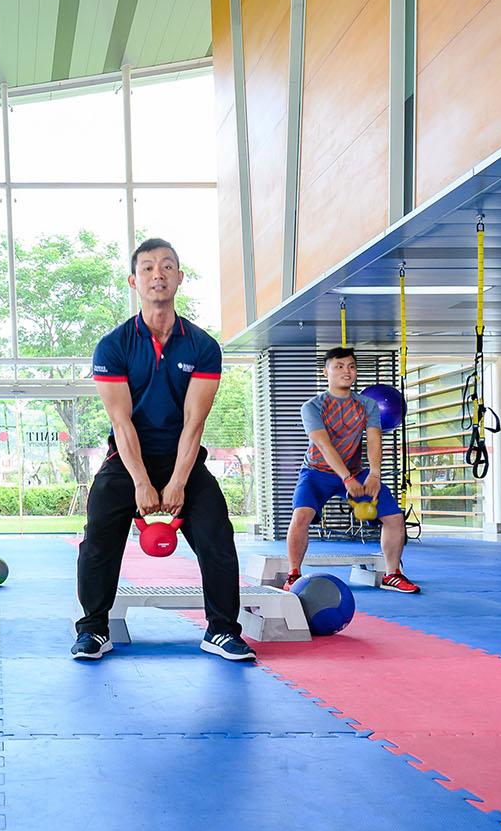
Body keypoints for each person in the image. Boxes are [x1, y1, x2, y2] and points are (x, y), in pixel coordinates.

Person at [72, 238, 253, 662]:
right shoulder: (114, 346)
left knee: (217, 536)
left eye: (168, 266)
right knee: (98, 537)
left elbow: (195, 422)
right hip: (127, 459)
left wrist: (177, 483)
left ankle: (222, 630)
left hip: (182, 459)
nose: (159, 274)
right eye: (149, 268)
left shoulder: (203, 346)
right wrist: (140, 483)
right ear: (135, 281)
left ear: (179, 278)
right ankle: (94, 629)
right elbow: (121, 421)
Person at [285, 347, 419, 594]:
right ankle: (293, 574)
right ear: (326, 372)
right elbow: (323, 444)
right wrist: (346, 478)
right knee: (301, 516)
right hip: (316, 472)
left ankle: (392, 574)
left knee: (394, 517)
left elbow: (375, 439)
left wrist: (375, 474)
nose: (347, 371)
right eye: (339, 366)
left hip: (357, 472)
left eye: (351, 366)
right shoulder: (313, 406)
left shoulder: (367, 404)